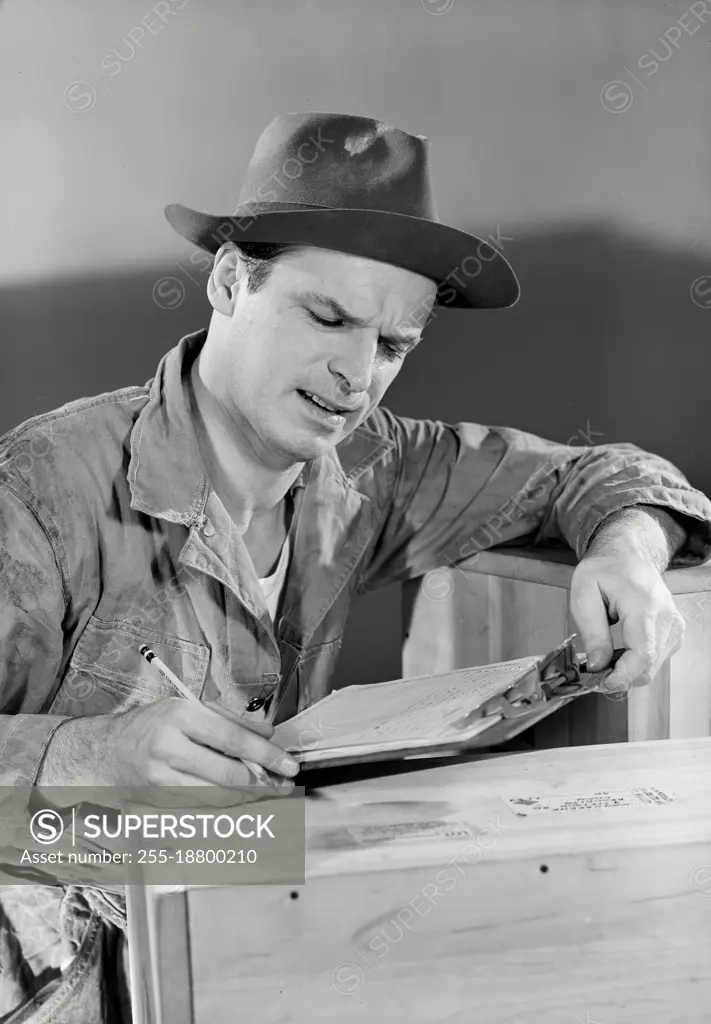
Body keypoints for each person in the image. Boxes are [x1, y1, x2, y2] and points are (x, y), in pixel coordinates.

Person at [1, 111, 709, 1021]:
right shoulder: (41, 489)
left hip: (239, 958)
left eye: (391, 346)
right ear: (228, 282)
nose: (353, 375)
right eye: (325, 317)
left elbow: (603, 472)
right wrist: (88, 754)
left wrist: (628, 549)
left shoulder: (376, 466)